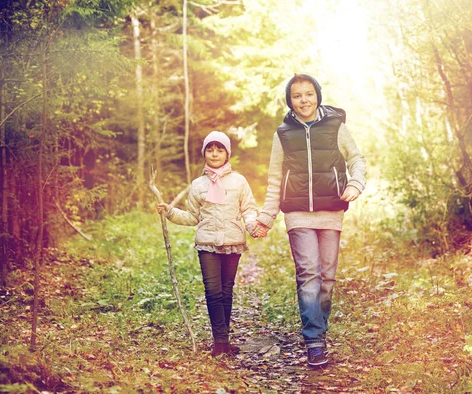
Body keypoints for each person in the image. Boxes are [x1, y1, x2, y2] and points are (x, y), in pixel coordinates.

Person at [252, 74, 367, 368]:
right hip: (297, 213)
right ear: (290, 101)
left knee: (327, 279)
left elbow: (356, 159)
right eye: (297, 96)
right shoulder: (283, 133)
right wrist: (266, 216)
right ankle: (314, 342)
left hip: (331, 211)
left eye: (308, 94)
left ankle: (319, 332)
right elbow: (275, 177)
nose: (304, 100)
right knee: (308, 276)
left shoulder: (336, 126)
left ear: (317, 94)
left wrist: (355, 184)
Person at [157, 131, 258, 357]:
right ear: (204, 153)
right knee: (212, 292)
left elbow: (249, 209)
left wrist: (252, 225)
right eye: (210, 150)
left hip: (233, 242)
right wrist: (170, 212)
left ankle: (225, 339)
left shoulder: (239, 181)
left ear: (227, 153)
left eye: (219, 149)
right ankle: (219, 342)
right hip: (207, 244)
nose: (214, 154)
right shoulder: (198, 184)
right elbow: (193, 216)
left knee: (226, 291)